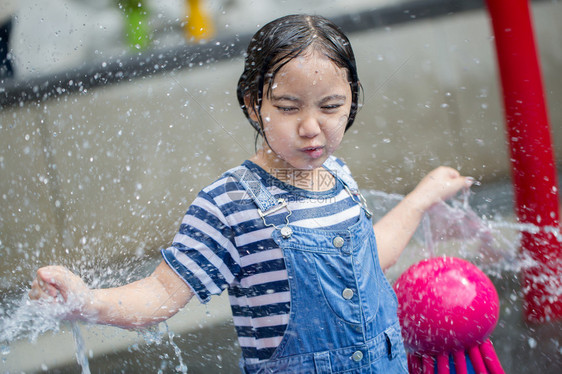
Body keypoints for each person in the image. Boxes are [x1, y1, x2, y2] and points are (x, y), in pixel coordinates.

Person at [30, 14, 471, 373]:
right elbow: (161, 295)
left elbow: (370, 257)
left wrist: (421, 198)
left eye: (331, 106)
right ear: (251, 103)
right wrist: (85, 301)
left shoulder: (338, 176)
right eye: (288, 107)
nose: (311, 127)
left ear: (352, 101)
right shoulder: (228, 204)